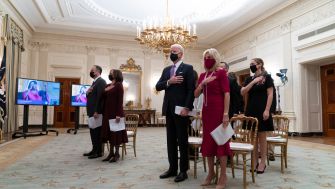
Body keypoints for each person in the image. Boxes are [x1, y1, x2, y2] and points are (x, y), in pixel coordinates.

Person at [156, 44, 195, 183]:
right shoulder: (167, 70)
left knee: (182, 140)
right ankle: (172, 168)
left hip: (181, 110)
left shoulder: (188, 69)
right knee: (170, 140)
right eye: (170, 51)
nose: (171, 53)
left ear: (181, 54)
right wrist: (169, 81)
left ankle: (183, 170)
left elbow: (191, 90)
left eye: (174, 51)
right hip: (168, 109)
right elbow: (158, 86)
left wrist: (187, 107)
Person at [194, 48, 231, 189]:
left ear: (215, 58)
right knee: (208, 142)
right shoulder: (202, 75)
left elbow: (227, 94)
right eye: (205, 57)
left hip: (219, 111)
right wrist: (203, 83)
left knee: (220, 142)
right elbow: (196, 94)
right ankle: (211, 173)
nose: (207, 59)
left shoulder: (221, 73)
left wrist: (226, 113)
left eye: (209, 57)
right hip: (207, 113)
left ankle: (223, 175)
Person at [241, 58, 274, 174]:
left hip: (262, 110)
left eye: (253, 64)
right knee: (252, 138)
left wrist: (267, 110)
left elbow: (270, 94)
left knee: (262, 138)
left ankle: (262, 162)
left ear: (259, 65)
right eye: (250, 64)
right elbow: (243, 92)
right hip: (250, 110)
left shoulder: (267, 78)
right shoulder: (249, 79)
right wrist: (254, 81)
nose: (251, 66)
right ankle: (254, 161)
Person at [100, 69, 128, 163]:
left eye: (111, 73)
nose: (110, 74)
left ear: (116, 75)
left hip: (116, 113)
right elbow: (102, 96)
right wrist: (105, 90)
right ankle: (110, 153)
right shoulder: (108, 85)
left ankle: (116, 153)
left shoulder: (119, 85)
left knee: (116, 133)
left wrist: (119, 114)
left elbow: (120, 101)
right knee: (109, 133)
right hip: (107, 113)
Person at [84, 65, 106, 159]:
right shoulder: (94, 82)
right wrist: (87, 93)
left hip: (96, 112)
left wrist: (97, 111)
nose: (91, 71)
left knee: (97, 132)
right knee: (92, 131)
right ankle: (94, 149)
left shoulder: (101, 81)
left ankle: (99, 152)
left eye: (92, 70)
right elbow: (92, 96)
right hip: (91, 111)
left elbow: (100, 98)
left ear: (97, 71)